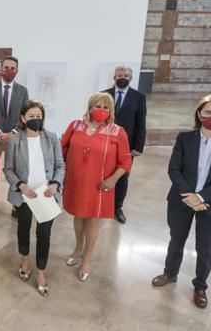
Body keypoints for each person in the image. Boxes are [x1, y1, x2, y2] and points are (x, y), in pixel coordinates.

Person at [152, 94, 211, 310]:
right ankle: (170, 273)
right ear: (199, 114)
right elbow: (174, 168)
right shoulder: (184, 138)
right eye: (208, 112)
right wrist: (190, 196)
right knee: (176, 240)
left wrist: (201, 197)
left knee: (205, 249)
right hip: (181, 199)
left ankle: (200, 286)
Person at [61, 92, 132, 281]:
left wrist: (113, 180)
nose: (101, 110)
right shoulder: (75, 126)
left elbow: (125, 162)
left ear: (111, 110)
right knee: (78, 216)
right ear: (90, 108)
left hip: (100, 185)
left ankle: (87, 259)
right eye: (97, 106)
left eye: (105, 107)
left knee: (93, 220)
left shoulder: (118, 132)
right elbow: (61, 148)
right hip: (76, 182)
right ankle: (78, 248)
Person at [3, 100, 65, 297]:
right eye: (31, 116)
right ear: (23, 118)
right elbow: (8, 169)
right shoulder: (15, 141)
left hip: (46, 195)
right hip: (24, 195)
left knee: (44, 234)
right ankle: (24, 259)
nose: (36, 120)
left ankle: (40, 272)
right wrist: (20, 184)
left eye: (39, 116)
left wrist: (55, 183)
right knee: (23, 228)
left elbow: (60, 165)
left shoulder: (51, 138)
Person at [0, 55, 29, 219]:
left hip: (14, 138)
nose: (9, 71)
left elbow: (25, 115)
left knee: (17, 172)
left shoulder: (23, 91)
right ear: (1, 69)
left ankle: (16, 206)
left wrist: (13, 133)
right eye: (6, 68)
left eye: (12, 68)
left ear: (17, 71)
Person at [103, 65, 147, 224]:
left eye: (126, 75)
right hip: (105, 143)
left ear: (131, 78)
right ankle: (102, 203)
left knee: (122, 177)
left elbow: (141, 123)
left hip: (126, 146)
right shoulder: (103, 95)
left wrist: (138, 147)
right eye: (119, 75)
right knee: (103, 173)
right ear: (114, 77)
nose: (122, 78)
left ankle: (117, 207)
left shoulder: (139, 97)